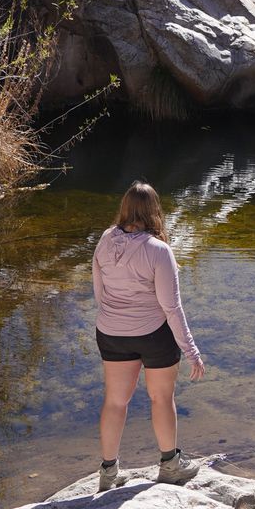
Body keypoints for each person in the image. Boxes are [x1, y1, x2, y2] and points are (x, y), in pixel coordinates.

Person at [92, 179, 206, 492]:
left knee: (115, 402)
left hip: (111, 332)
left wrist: (117, 320)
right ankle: (170, 466)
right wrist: (192, 351)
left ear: (125, 209)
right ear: (155, 211)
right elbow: (172, 308)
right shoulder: (159, 250)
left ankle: (108, 473)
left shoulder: (104, 239)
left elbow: (99, 293)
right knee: (161, 398)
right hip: (154, 334)